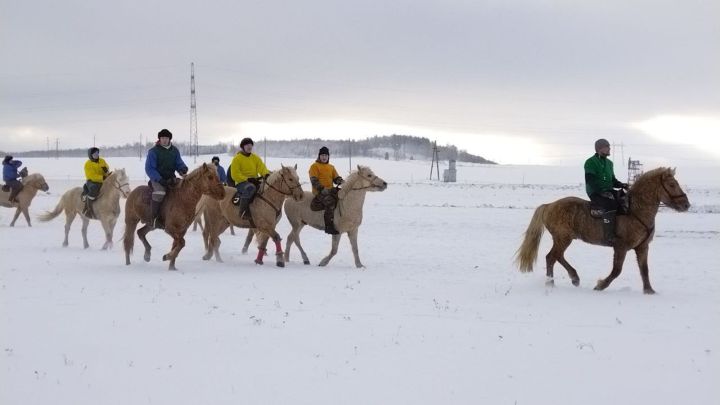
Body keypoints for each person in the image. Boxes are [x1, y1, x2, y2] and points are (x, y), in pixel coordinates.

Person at [584, 138, 628, 245]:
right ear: (599, 148)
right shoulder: (590, 162)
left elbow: (613, 181)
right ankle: (609, 236)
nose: (610, 148)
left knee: (625, 201)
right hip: (595, 192)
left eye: (609, 146)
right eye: (607, 146)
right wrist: (601, 192)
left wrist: (622, 185)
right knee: (611, 205)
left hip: (608, 190)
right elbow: (590, 181)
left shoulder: (609, 163)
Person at [145, 129, 188, 228]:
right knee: (160, 192)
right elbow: (149, 168)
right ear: (159, 139)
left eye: (166, 138)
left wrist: (183, 168)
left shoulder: (174, 150)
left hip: (171, 178)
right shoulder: (153, 151)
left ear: (169, 139)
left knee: (184, 189)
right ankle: (154, 219)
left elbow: (178, 163)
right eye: (162, 138)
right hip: (157, 179)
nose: (164, 140)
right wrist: (159, 179)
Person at [230, 138, 270, 220]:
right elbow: (235, 174)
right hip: (241, 183)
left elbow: (261, 168)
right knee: (250, 188)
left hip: (254, 181)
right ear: (242, 147)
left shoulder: (255, 157)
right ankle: (243, 212)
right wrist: (247, 179)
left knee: (265, 188)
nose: (249, 147)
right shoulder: (237, 159)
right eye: (247, 145)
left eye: (251, 145)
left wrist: (265, 174)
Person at [309, 146, 344, 234]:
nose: (324, 157)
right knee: (331, 202)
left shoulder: (331, 167)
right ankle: (329, 226)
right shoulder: (314, 166)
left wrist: (341, 181)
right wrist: (322, 189)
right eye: (322, 155)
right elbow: (314, 180)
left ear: (328, 156)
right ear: (319, 156)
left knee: (343, 195)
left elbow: (336, 178)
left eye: (326, 155)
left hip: (330, 190)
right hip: (319, 192)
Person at [81, 147, 111, 218]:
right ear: (90, 155)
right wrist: (102, 177)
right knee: (94, 189)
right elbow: (91, 175)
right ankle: (88, 210)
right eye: (94, 153)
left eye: (97, 153)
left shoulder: (102, 160)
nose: (96, 155)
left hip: (103, 180)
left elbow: (107, 168)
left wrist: (106, 171)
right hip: (92, 181)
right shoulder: (88, 164)